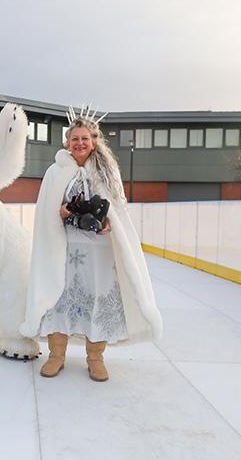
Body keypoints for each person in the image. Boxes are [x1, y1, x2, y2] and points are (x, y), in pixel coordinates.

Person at [19, 108, 162, 381]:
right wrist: (60, 211)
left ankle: (95, 357)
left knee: (98, 298)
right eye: (75, 139)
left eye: (85, 138)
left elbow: (119, 208)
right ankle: (56, 355)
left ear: (94, 141)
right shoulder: (55, 171)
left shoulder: (107, 171)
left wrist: (109, 222)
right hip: (64, 248)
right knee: (58, 297)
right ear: (67, 142)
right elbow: (45, 210)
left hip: (99, 252)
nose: (80, 144)